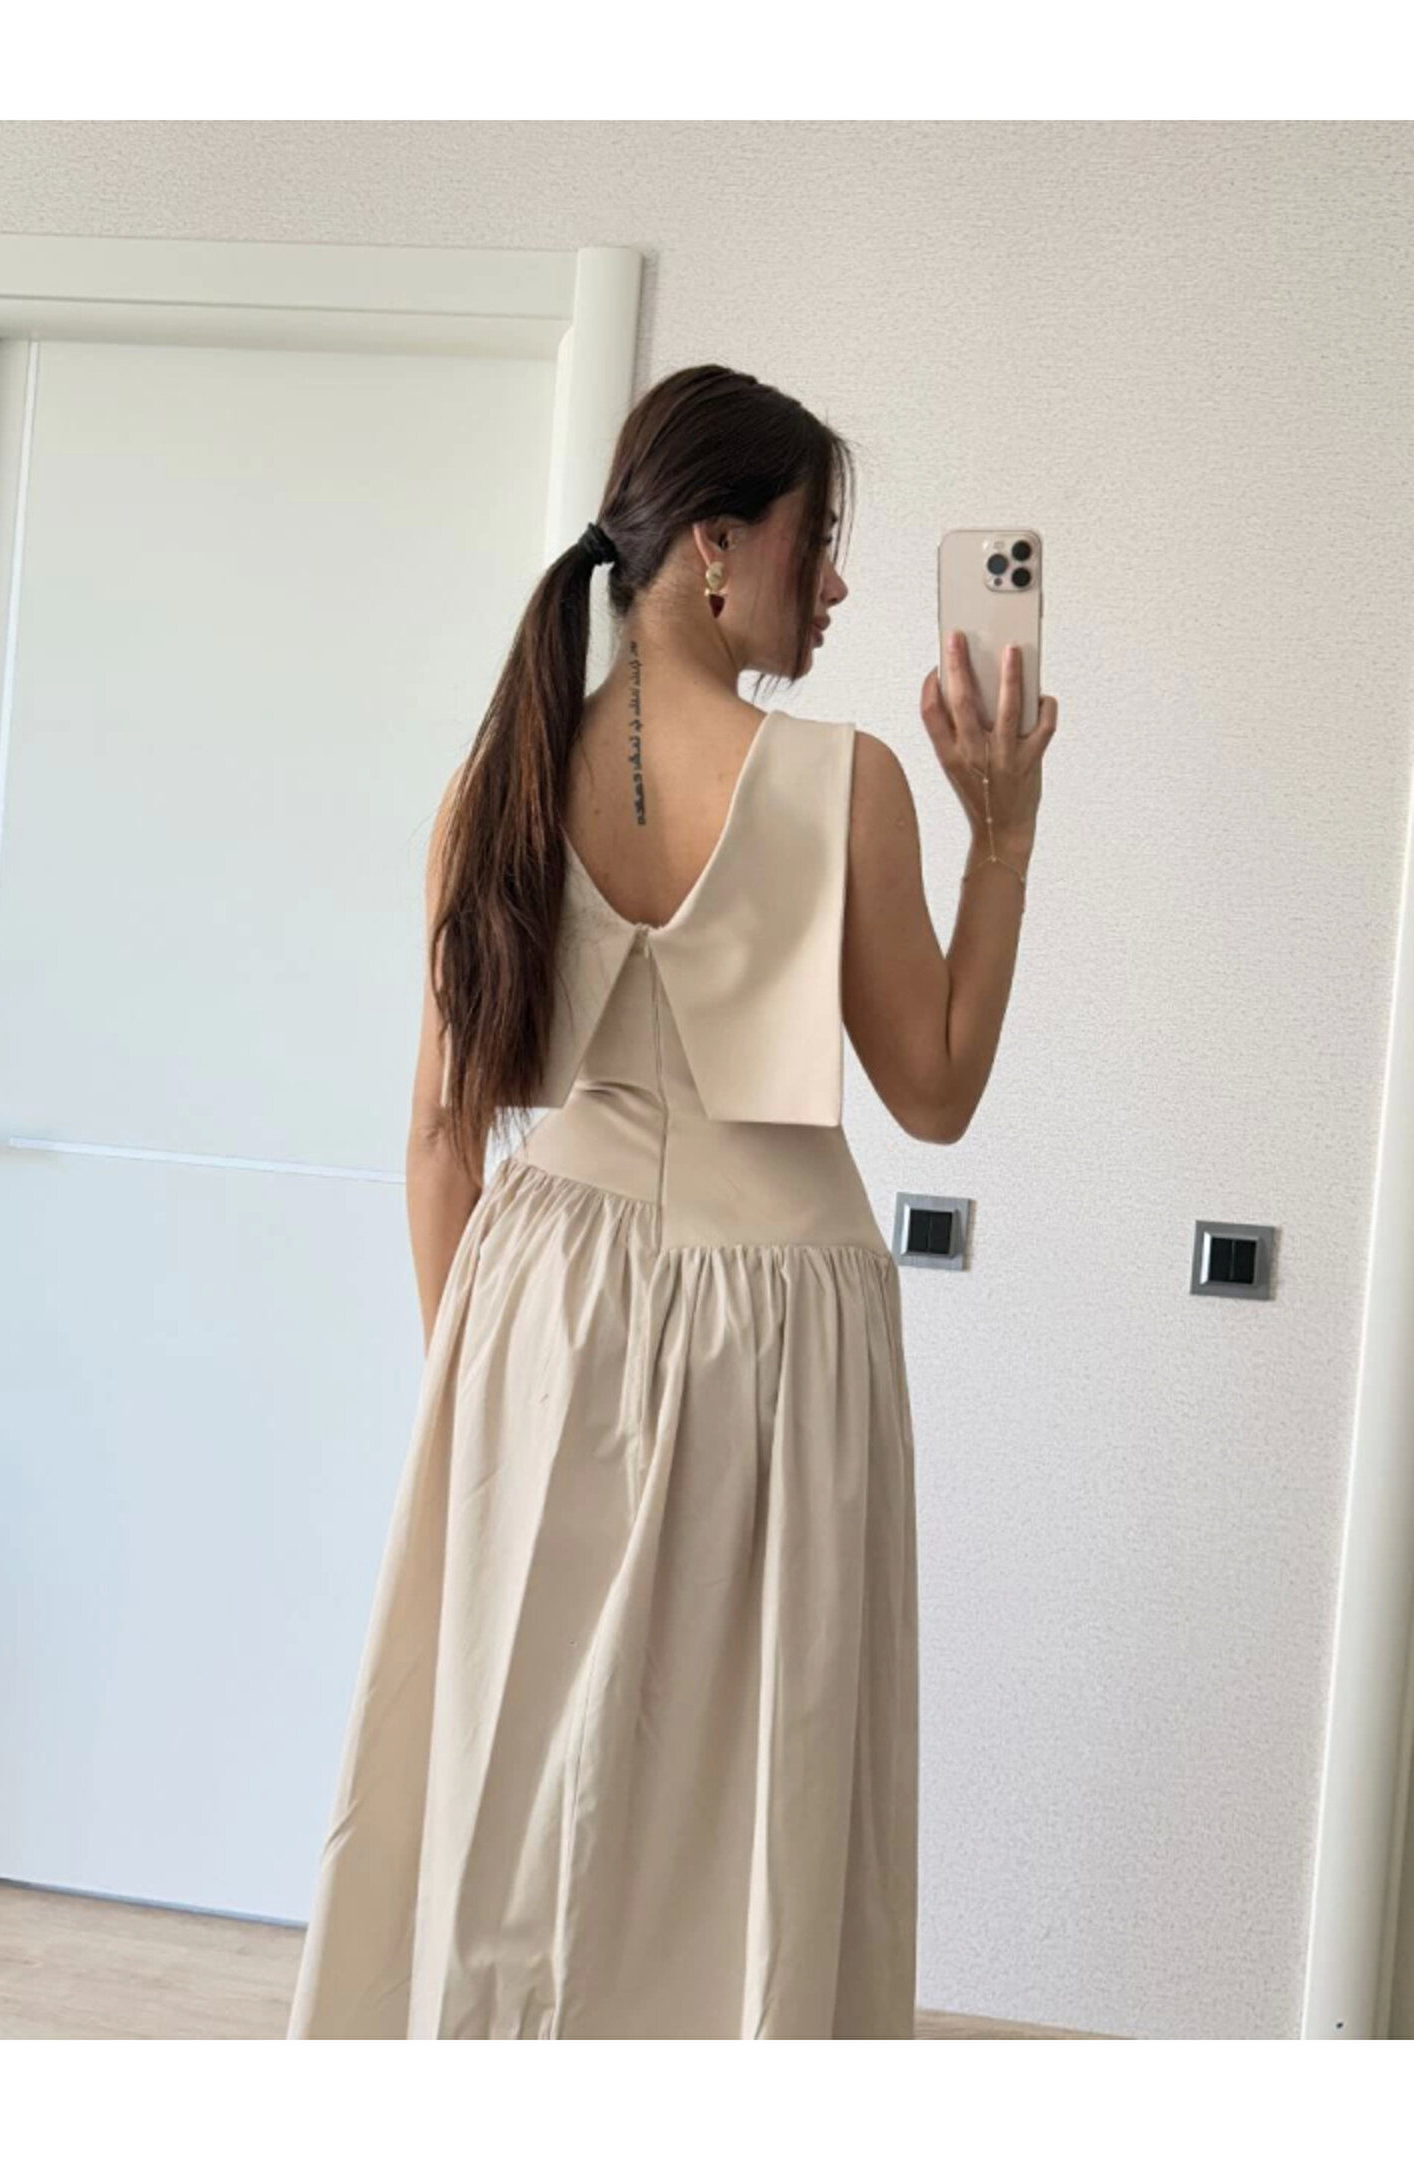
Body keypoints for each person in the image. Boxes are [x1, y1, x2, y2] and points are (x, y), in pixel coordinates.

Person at [285, 362, 1057, 2040]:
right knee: (758, 1790)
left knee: (517, 1788)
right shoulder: (847, 780)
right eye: (814, 539)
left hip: (542, 1314)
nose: (834, 583)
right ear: (716, 544)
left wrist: (473, 1399)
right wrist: (1002, 841)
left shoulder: (500, 776)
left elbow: (439, 1142)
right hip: (777, 1325)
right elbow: (933, 1090)